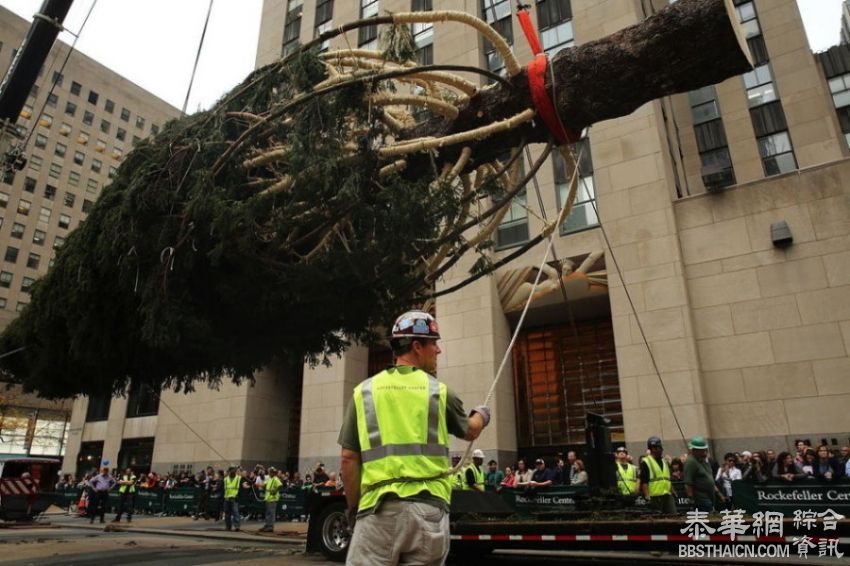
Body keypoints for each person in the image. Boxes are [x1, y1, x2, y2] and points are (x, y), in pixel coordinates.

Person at [338, 310, 489, 566]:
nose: (438, 351)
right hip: (428, 514)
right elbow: (470, 430)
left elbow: (348, 459)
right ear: (417, 346)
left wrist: (354, 510)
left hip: (377, 511)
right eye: (434, 343)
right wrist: (482, 415)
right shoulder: (439, 392)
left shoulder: (364, 392)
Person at [684, 436, 723, 513]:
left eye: (705, 450)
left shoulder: (704, 461)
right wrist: (691, 499)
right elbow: (688, 483)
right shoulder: (691, 462)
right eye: (702, 450)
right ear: (694, 450)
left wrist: (719, 493)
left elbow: (709, 478)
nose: (705, 452)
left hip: (710, 498)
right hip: (701, 500)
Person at [640, 436, 676, 514]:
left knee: (673, 516)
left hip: (667, 495)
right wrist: (647, 497)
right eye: (655, 448)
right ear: (651, 449)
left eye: (659, 447)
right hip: (655, 497)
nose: (659, 449)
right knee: (658, 519)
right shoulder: (646, 462)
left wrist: (673, 492)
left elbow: (667, 479)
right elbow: (644, 482)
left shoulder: (664, 461)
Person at [259, 467, 282, 532]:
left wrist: (275, 490)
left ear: (273, 473)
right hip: (268, 498)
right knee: (268, 513)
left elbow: (280, 485)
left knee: (271, 513)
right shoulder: (269, 479)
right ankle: (267, 525)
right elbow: (265, 485)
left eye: (271, 472)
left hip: (272, 499)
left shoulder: (275, 479)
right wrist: (263, 486)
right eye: (269, 472)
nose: (269, 473)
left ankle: (270, 526)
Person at [222, 467, 241, 532]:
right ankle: (228, 526)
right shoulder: (225, 479)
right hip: (227, 498)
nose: (232, 472)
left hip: (234, 498)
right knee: (227, 513)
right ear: (229, 472)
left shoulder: (238, 478)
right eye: (231, 471)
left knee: (235, 512)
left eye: (233, 471)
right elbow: (224, 488)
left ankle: (237, 526)